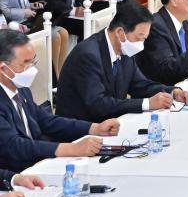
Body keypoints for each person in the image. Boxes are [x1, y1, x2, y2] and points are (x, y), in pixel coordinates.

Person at [54, 1, 188, 122]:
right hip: (81, 131)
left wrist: (173, 92)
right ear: (120, 33)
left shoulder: (124, 48)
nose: (141, 44)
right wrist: (147, 103)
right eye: (139, 37)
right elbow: (98, 104)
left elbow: (140, 85)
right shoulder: (88, 55)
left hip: (110, 124)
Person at [0, 30, 118, 172]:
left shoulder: (21, 88)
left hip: (38, 164)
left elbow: (46, 121)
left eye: (33, 61)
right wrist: (71, 148)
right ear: (3, 68)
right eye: (25, 63)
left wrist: (94, 128)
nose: (31, 69)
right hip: (14, 174)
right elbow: (13, 146)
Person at [0, 0, 72, 77]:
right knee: (55, 37)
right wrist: (24, 12)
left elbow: (24, 3)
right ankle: (54, 77)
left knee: (64, 32)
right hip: (15, 25)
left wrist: (33, 5)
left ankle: (62, 73)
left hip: (27, 21)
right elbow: (4, 10)